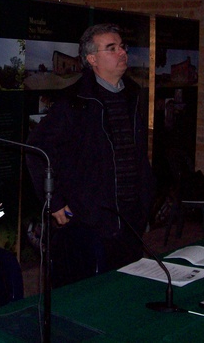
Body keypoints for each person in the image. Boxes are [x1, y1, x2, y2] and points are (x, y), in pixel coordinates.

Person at [26, 23, 155, 286]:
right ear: (92, 59)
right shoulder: (74, 102)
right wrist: (55, 201)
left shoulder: (133, 96)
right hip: (90, 219)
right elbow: (38, 150)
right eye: (112, 48)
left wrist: (145, 198)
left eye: (122, 47)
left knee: (125, 290)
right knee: (88, 293)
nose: (122, 53)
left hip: (130, 218)